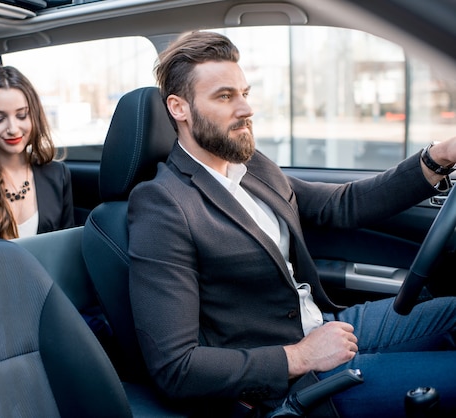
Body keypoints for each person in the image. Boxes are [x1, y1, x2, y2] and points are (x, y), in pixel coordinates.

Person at [127, 31, 456, 417]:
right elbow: (175, 367)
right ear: (179, 108)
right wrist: (299, 357)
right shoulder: (162, 205)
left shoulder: (251, 167)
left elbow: (341, 204)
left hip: (326, 327)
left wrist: (439, 156)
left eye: (245, 92)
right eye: (224, 96)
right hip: (293, 382)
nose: (246, 109)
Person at [0, 66, 74, 239]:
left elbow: (67, 247)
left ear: (34, 116)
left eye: (22, 115)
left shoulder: (57, 175)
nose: (13, 129)